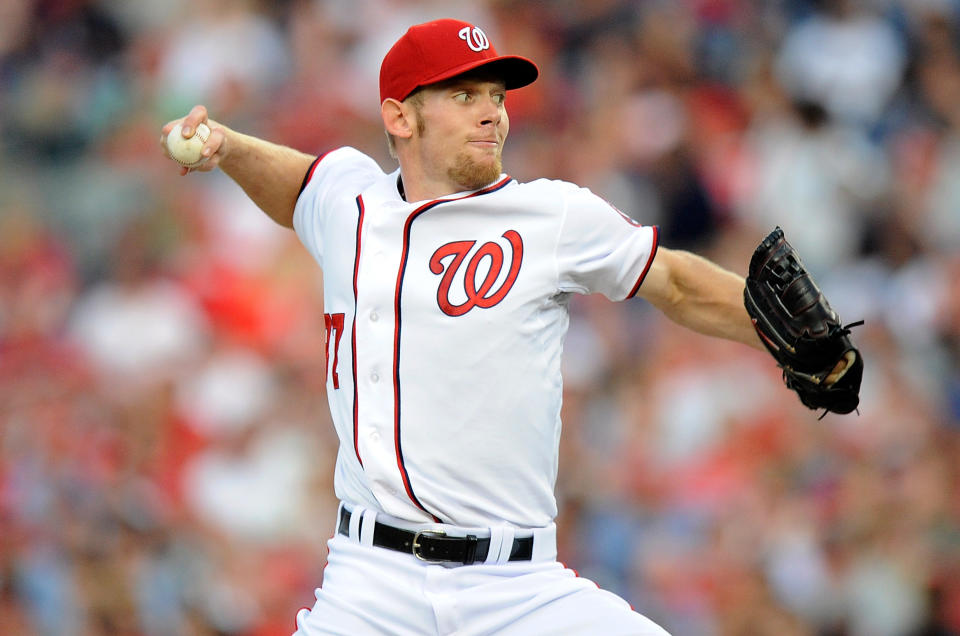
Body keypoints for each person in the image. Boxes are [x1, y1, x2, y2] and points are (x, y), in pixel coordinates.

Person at [161, 18, 839, 636]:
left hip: (518, 586)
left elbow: (675, 281)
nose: (491, 112)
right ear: (400, 115)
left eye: (497, 96)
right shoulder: (351, 201)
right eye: (464, 96)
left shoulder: (550, 216)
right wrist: (225, 147)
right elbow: (300, 184)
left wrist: (798, 341)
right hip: (370, 584)